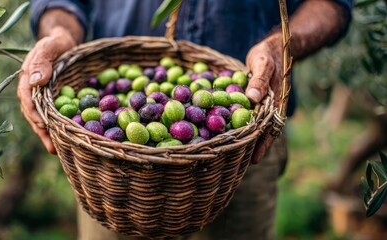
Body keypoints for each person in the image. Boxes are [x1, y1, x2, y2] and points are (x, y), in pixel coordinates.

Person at [18, 1, 352, 239]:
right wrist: (60, 32)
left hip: (239, 155)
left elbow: (333, 4)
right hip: (110, 170)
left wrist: (281, 46)